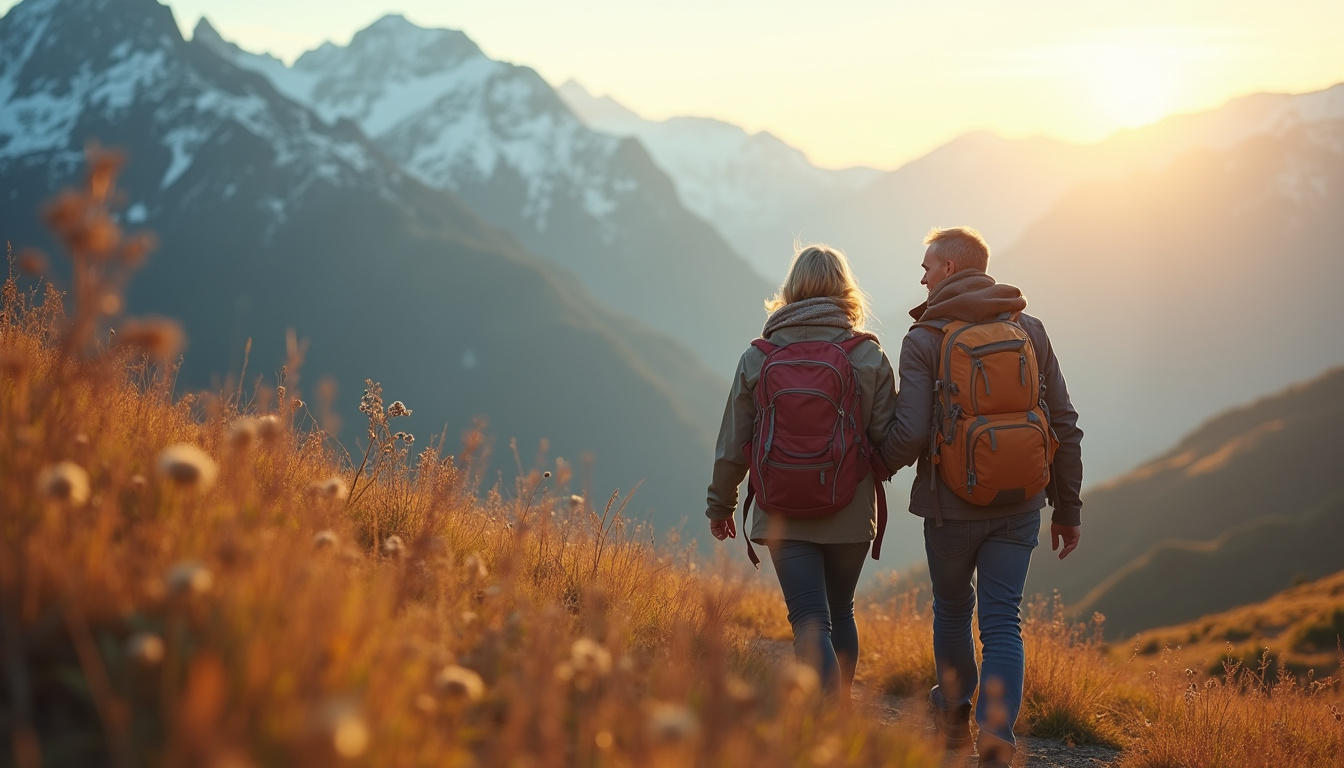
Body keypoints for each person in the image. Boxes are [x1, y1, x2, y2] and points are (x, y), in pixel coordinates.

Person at [882, 227, 1083, 767]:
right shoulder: (1029, 329)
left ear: (949, 269)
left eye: (927, 266)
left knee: (951, 610)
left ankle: (952, 718)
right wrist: (1067, 510)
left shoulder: (924, 338)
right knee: (1002, 621)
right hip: (1021, 503)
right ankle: (997, 739)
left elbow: (910, 434)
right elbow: (1063, 422)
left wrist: (871, 469)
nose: (921, 276)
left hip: (949, 508)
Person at [705, 244, 898, 700]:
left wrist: (721, 504)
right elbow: (890, 433)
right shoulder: (867, 356)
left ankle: (826, 724)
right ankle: (839, 721)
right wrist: (872, 470)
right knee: (841, 612)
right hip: (849, 507)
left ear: (790, 289)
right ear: (845, 289)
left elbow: (734, 441)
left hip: (780, 508)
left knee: (810, 619)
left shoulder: (758, 356)